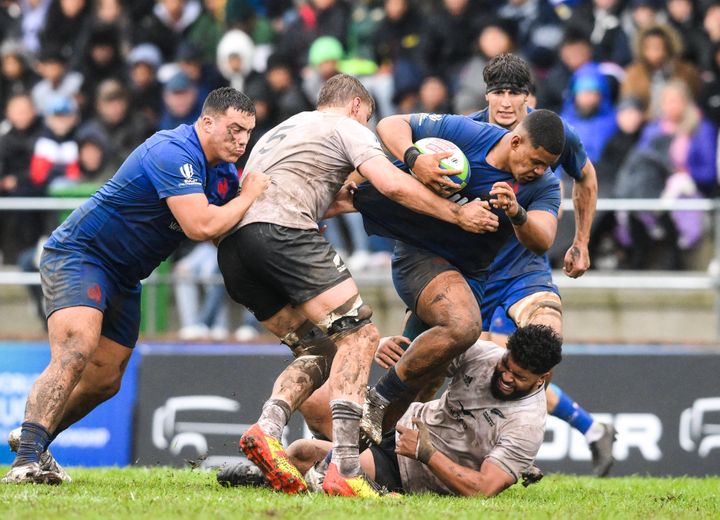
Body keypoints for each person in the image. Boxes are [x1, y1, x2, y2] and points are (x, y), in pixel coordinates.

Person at [216, 73, 495, 498]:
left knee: (320, 349)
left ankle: (267, 428)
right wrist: (457, 215)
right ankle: (345, 468)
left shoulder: (284, 130)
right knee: (361, 337)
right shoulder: (346, 127)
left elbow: (329, 196)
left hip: (236, 248)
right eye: (367, 118)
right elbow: (389, 182)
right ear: (357, 107)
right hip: (284, 233)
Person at [2, 87, 270, 485]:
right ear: (207, 121)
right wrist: (250, 193)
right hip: (82, 254)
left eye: (248, 132)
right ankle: (24, 463)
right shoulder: (173, 151)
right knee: (77, 348)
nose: (242, 140)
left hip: (125, 276)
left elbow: (226, 230)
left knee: (106, 379)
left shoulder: (224, 174)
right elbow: (201, 226)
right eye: (234, 129)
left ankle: (36, 440)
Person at [409, 53, 615, 477]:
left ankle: (527, 442)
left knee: (537, 343)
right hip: (469, 270)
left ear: (529, 97)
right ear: (486, 94)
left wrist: (581, 241)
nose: (506, 102)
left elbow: (587, 176)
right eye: (498, 92)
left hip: (523, 269)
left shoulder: (551, 134)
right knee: (451, 367)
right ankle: (586, 428)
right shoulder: (466, 133)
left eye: (515, 93)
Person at [348, 104, 564, 452]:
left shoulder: (543, 186)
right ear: (516, 141)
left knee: (422, 379)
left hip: (469, 278)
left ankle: (341, 458)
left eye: (546, 166)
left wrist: (517, 213)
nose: (538, 171)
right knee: (464, 326)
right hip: (421, 256)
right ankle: (378, 399)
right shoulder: (470, 135)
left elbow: (544, 238)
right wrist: (414, 156)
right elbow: (391, 124)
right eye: (534, 161)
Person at [223, 325, 562, 497]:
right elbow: (431, 351)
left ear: (542, 379)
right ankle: (291, 461)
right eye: (507, 365)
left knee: (302, 451)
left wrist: (426, 453)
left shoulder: (527, 423)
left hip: (407, 468)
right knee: (315, 400)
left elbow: (484, 489)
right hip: (399, 425)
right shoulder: (486, 355)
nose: (505, 376)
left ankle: (268, 478)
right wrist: (386, 345)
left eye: (518, 377)